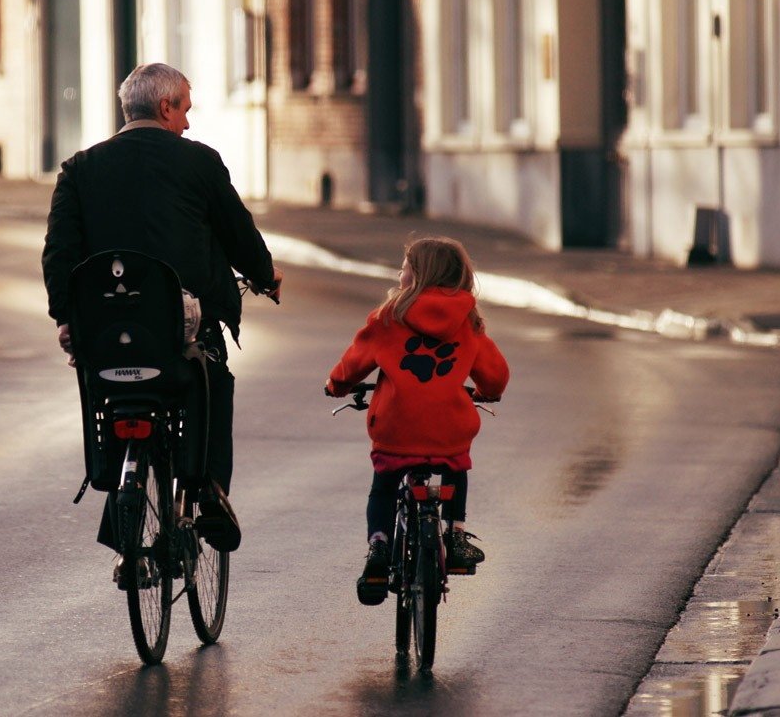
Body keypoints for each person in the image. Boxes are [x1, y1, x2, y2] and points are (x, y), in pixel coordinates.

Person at [43, 63, 282, 553]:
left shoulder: (79, 169)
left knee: (111, 395)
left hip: (106, 334)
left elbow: (59, 254)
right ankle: (210, 490)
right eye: (185, 111)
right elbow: (239, 235)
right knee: (214, 383)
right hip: (180, 332)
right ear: (165, 106)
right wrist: (265, 276)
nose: (187, 124)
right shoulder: (199, 163)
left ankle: (121, 506)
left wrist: (67, 317)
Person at [324, 236, 509, 606]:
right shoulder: (468, 322)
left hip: (396, 427)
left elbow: (353, 364)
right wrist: (487, 391)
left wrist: (336, 385)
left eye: (404, 266)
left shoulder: (388, 317)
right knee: (455, 467)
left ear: (419, 274)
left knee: (384, 483)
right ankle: (455, 535)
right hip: (449, 428)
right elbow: (496, 375)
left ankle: (379, 546)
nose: (399, 273)